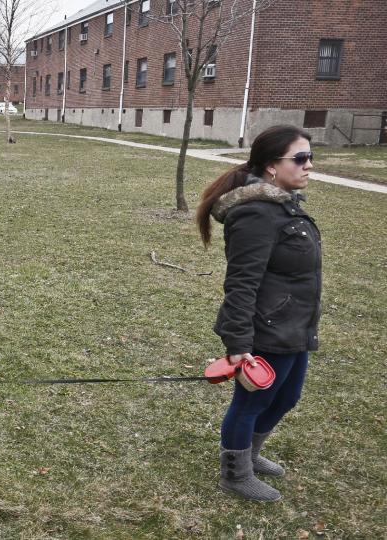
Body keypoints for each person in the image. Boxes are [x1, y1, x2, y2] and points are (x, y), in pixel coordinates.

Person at [195, 125, 322, 502]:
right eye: (300, 158)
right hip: (265, 329)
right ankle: (235, 473)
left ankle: (250, 454)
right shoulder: (256, 215)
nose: (309, 165)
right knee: (252, 402)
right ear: (271, 166)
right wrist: (238, 342)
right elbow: (240, 284)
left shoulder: (283, 204)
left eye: (310, 157)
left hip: (294, 326)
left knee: (287, 398)